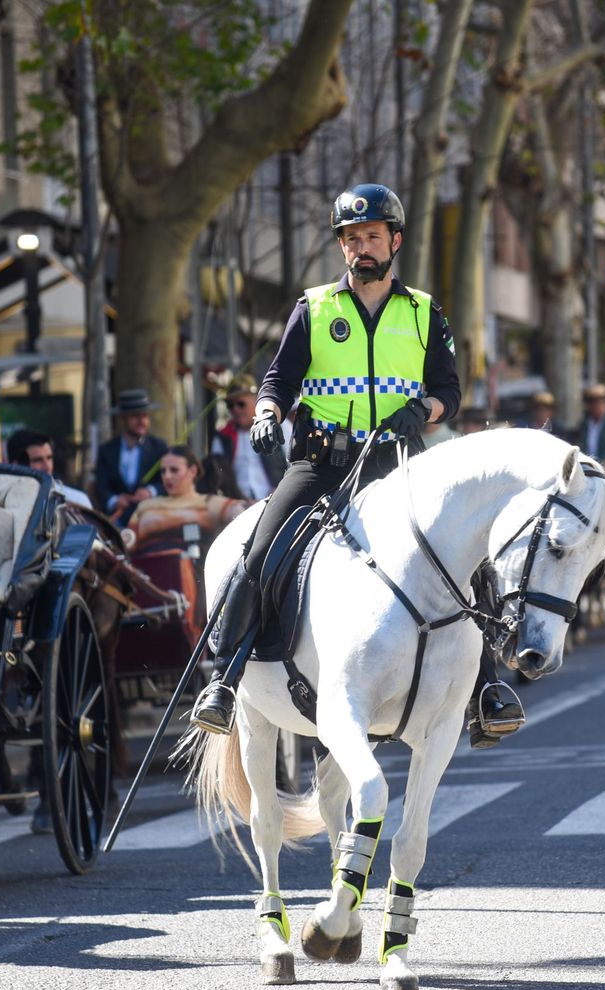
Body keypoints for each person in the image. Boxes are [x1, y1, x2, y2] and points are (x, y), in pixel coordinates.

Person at [189, 182, 488, 740]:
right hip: (321, 461)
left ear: (395, 240)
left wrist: (424, 408)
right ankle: (223, 681)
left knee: (469, 553)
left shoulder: (426, 312)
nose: (362, 248)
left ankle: (488, 687)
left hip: (396, 462)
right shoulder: (314, 307)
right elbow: (278, 378)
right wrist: (267, 411)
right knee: (261, 550)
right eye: (351, 239)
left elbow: (452, 391)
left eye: (372, 236)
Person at [127, 446, 250, 555]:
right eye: (163, 471)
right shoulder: (145, 506)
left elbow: (238, 512)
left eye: (174, 470)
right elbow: (128, 541)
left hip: (193, 575)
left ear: (192, 471)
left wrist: (238, 512)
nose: (167, 476)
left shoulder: (209, 502)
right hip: (147, 575)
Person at [94, 389, 168, 524]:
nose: (142, 421)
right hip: (117, 520)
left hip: (151, 517)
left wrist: (150, 492)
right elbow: (101, 486)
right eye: (135, 416)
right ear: (123, 418)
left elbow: (166, 481)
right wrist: (115, 500)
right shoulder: (107, 450)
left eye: (145, 416)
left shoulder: (159, 447)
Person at [211, 374, 286, 502]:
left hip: (275, 500)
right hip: (238, 505)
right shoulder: (222, 437)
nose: (235, 409)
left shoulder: (279, 426)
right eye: (230, 405)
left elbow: (294, 463)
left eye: (241, 404)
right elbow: (219, 475)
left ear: (256, 400)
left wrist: (282, 490)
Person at [7, 427, 94, 510]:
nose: (47, 466)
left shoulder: (77, 500)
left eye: (49, 458)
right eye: (38, 460)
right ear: (17, 465)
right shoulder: (4, 502)